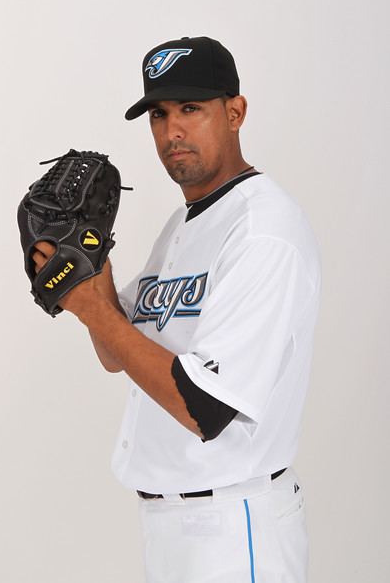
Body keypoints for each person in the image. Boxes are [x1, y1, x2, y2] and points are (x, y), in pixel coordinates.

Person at [33, 36, 321, 583]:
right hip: (174, 525)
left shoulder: (264, 231)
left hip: (235, 528)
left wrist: (92, 307)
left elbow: (206, 408)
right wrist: (90, 257)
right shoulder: (184, 226)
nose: (172, 132)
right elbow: (118, 352)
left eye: (191, 108)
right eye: (159, 114)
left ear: (235, 112)